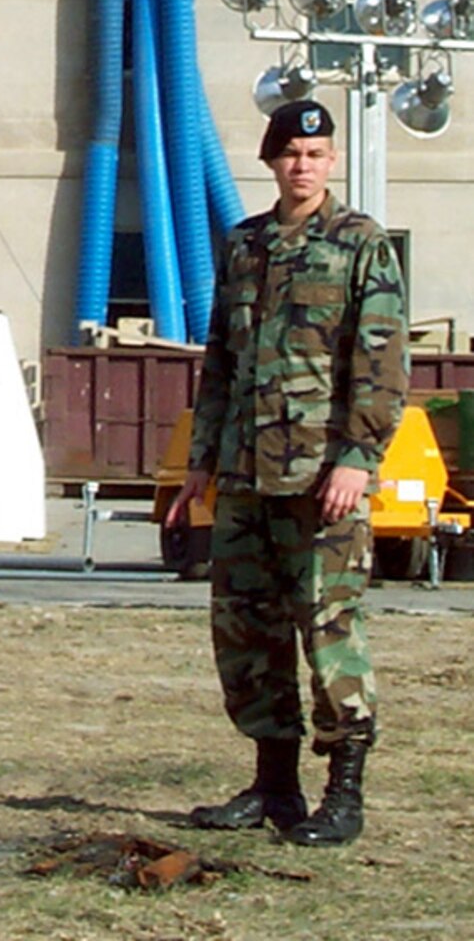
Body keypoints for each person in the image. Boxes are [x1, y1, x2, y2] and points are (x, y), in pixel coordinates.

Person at [167, 100, 408, 846]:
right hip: (244, 475)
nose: (303, 166)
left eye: (315, 154)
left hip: (321, 481)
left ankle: (344, 791)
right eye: (290, 154)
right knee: (246, 631)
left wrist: (358, 461)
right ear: (271, 162)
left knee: (328, 627)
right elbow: (220, 363)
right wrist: (199, 463)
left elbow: (382, 366)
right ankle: (274, 786)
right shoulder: (245, 245)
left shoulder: (361, 244)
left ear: (331, 161)